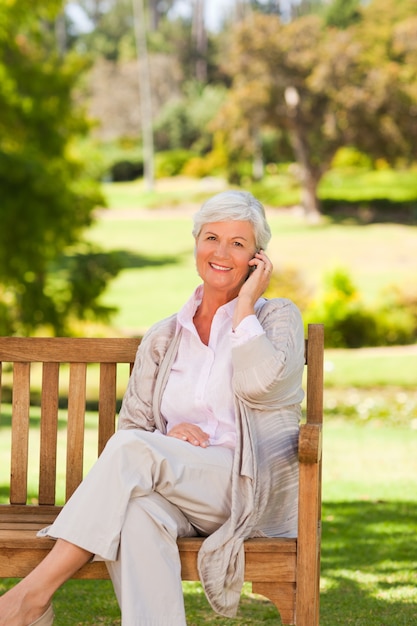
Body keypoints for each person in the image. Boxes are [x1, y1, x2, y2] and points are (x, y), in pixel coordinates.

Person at [0, 190, 305, 626]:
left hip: (243, 489)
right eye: (211, 238)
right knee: (137, 513)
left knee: (132, 451)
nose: (221, 252)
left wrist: (242, 310)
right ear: (196, 244)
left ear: (258, 258)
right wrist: (170, 436)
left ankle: (31, 596)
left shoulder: (275, 319)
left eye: (238, 244)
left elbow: (261, 386)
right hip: (176, 490)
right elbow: (135, 428)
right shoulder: (166, 335)